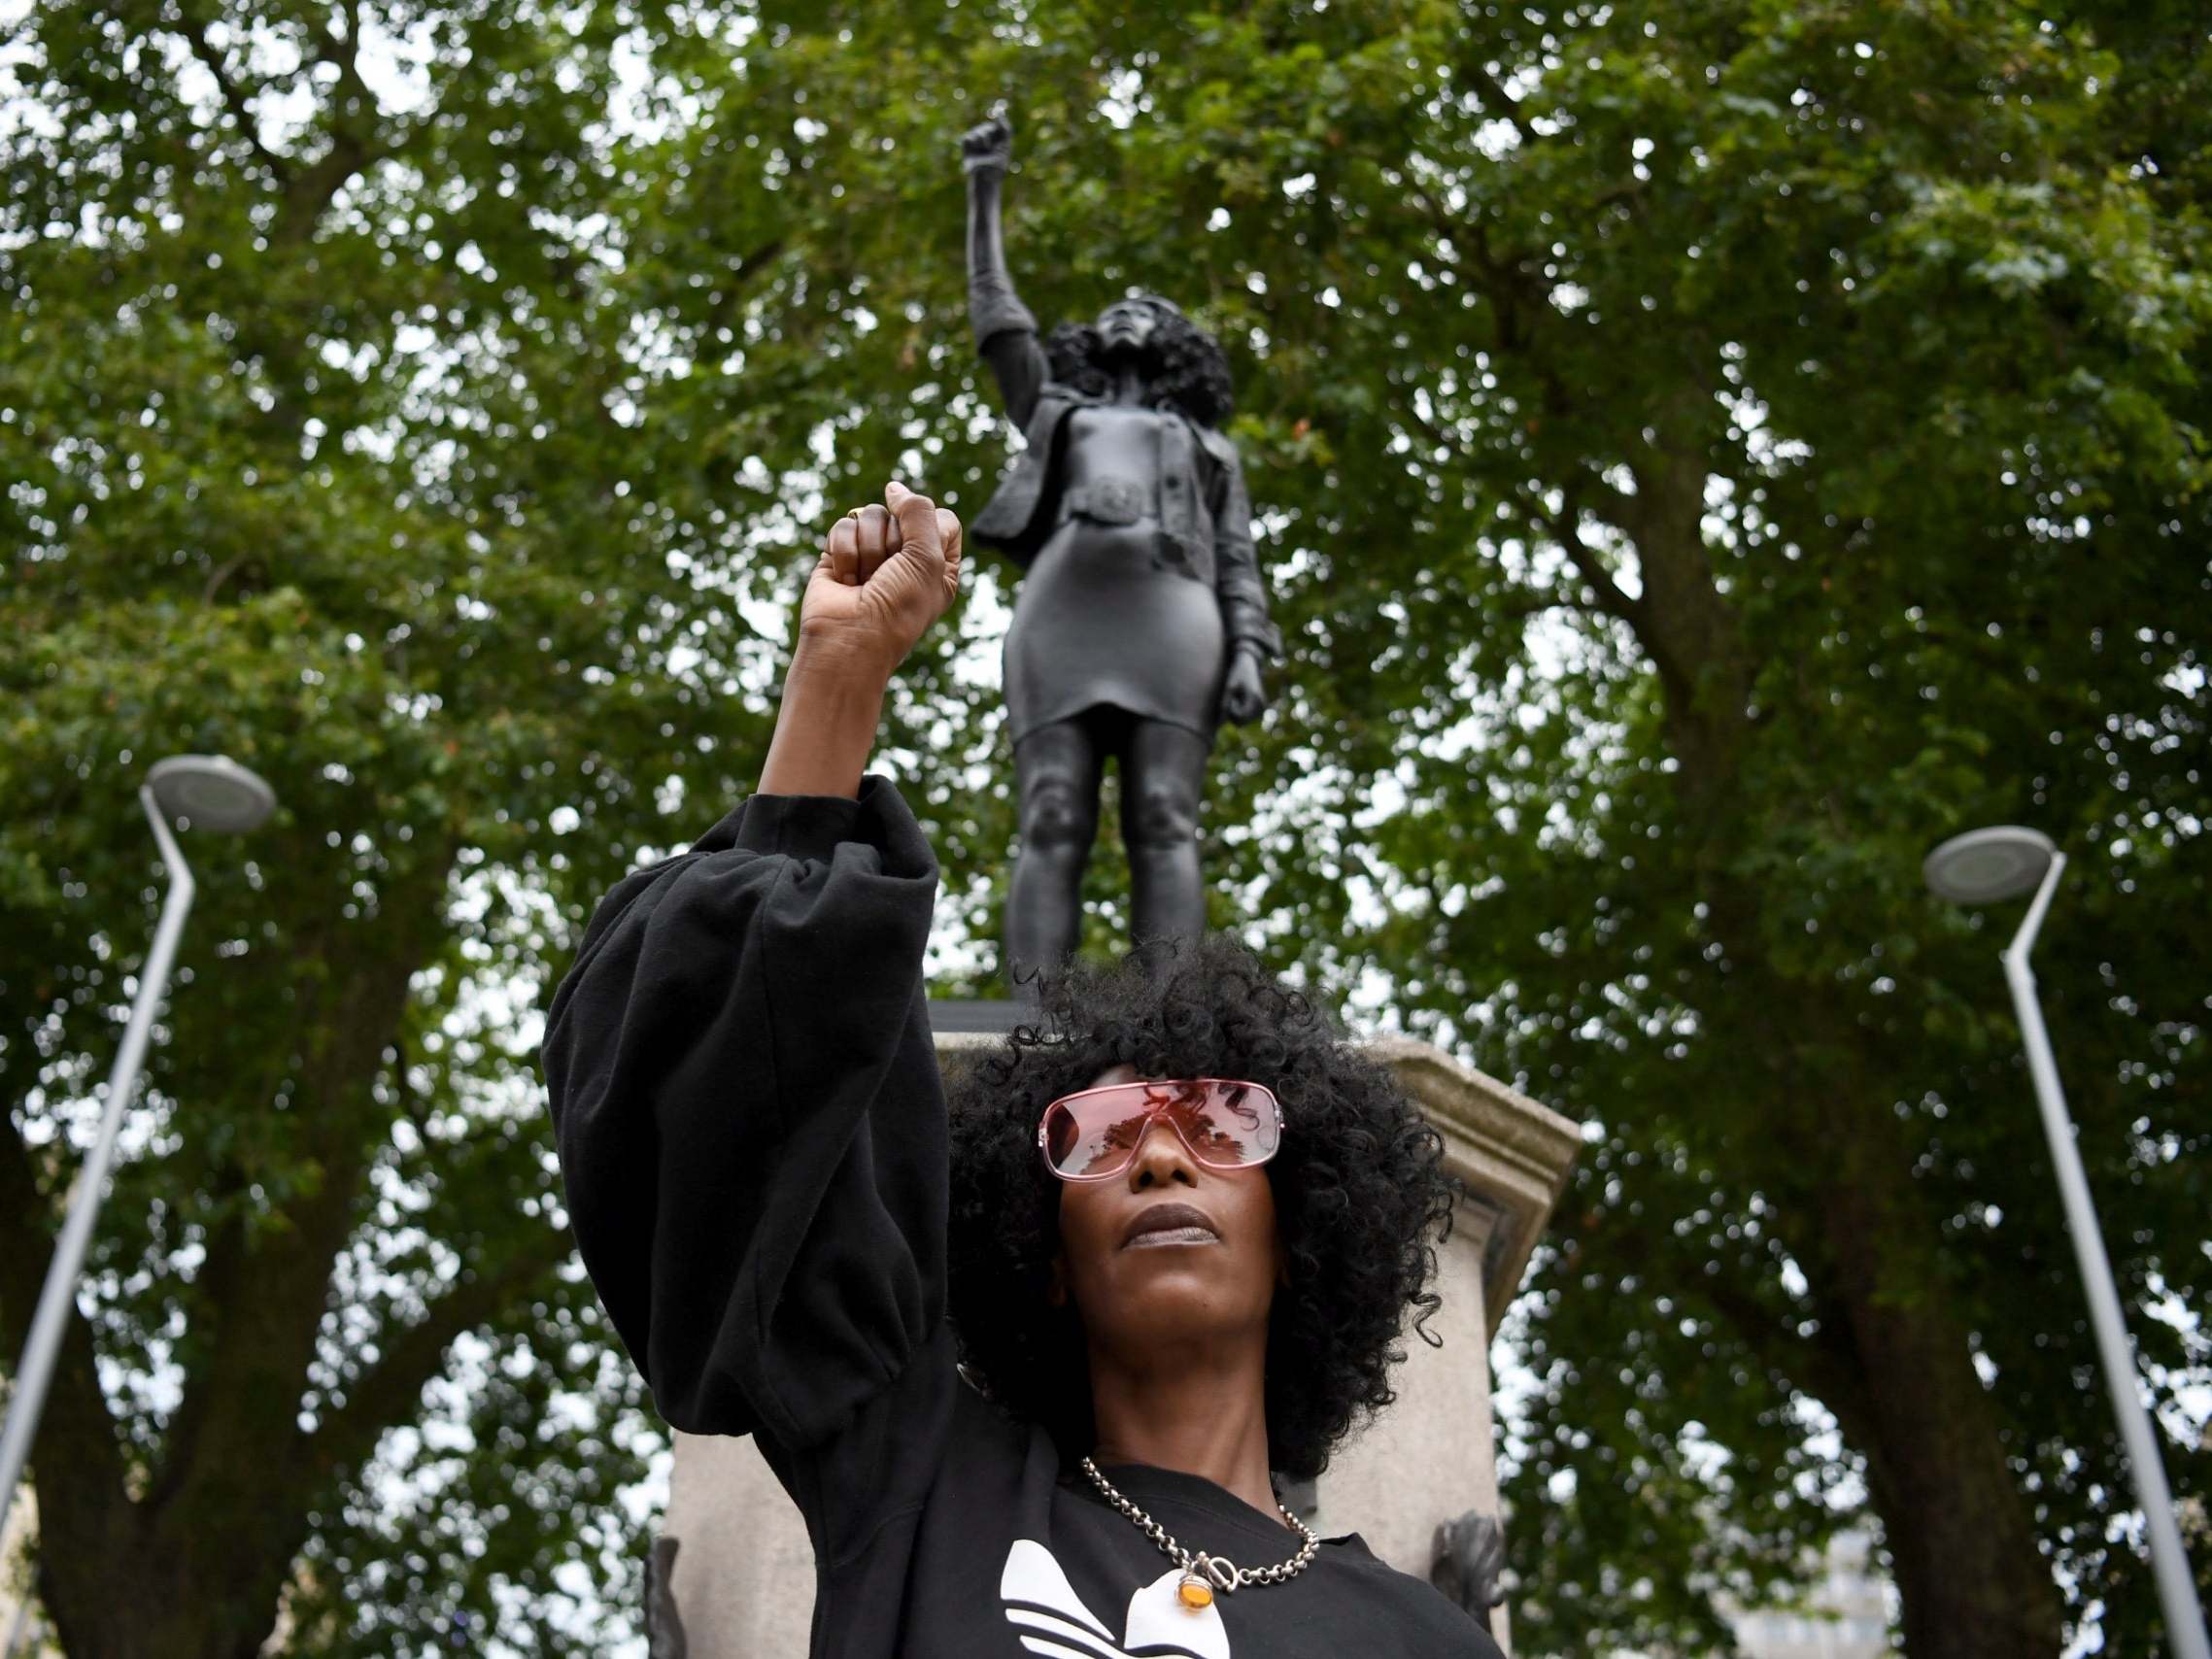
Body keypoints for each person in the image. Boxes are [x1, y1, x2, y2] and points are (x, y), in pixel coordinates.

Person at [542, 482, 1503, 1658]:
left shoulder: (1426, 1641)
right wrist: (839, 673)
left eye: (1217, 1124)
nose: (1158, 1156)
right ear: (1045, 1260)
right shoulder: (917, 1482)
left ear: (1297, 1231)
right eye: (1099, 1135)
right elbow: (737, 1093)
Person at [960, 113, 1282, 984]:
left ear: (1175, 346)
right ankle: (1033, 1018)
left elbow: (1237, 559)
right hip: (1062, 612)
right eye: (1115, 309)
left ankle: (1169, 1014)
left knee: (1165, 813)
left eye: (1147, 310)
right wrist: (984, 185)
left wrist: (1249, 651)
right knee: (1050, 809)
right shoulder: (1055, 413)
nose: (1127, 314)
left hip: (1175, 618)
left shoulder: (1209, 449)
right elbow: (998, 322)